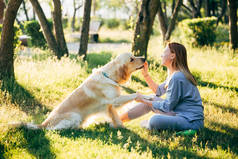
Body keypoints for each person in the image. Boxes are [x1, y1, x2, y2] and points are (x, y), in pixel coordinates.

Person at [120, 42, 204, 131]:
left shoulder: (177, 77)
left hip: (190, 121)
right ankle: (117, 120)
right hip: (179, 113)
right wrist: (146, 75)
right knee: (151, 99)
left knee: (154, 120)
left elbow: (167, 106)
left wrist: (143, 100)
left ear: (172, 56)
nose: (161, 55)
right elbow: (159, 91)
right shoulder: (174, 74)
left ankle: (148, 124)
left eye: (164, 52)